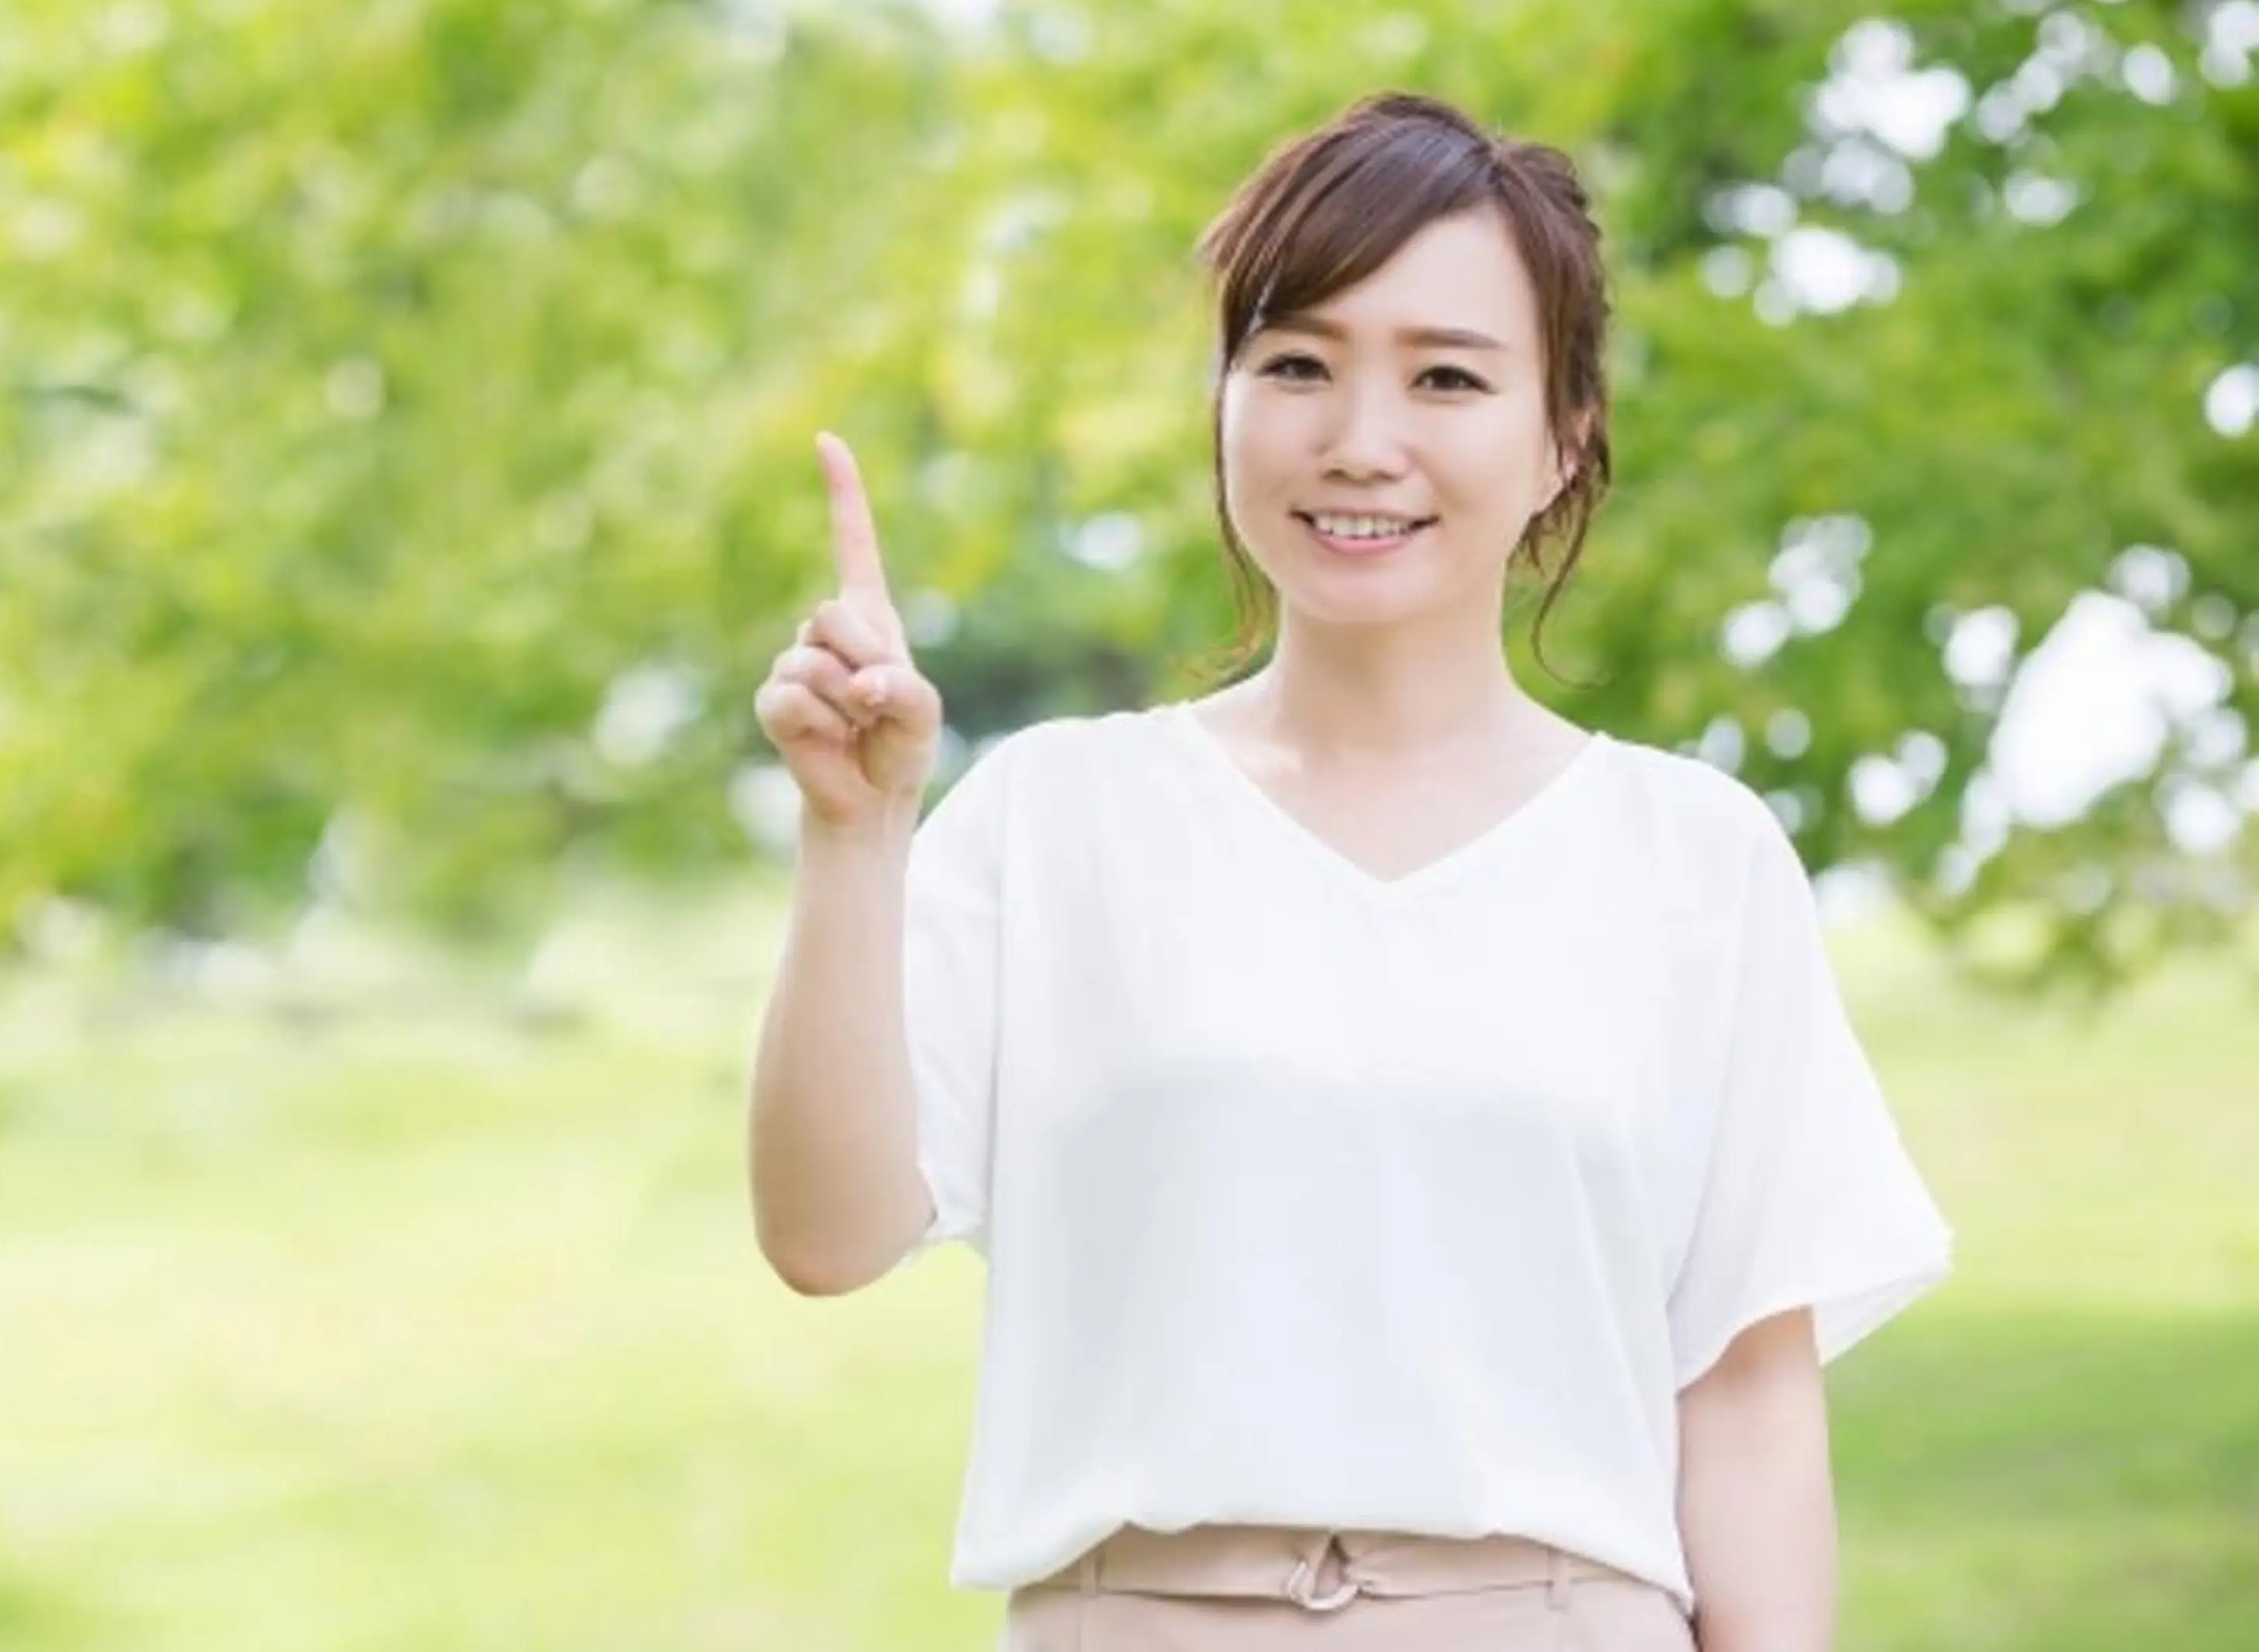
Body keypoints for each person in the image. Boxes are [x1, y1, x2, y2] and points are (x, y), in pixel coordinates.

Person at [745, 91, 1954, 1650]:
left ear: (1563, 437)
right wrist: (856, 836)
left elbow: (1745, 1400)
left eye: (1446, 376)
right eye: (1297, 364)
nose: (1361, 442)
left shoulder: (1693, 860)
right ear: (1226, 404)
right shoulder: (1056, 816)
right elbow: (827, 1236)